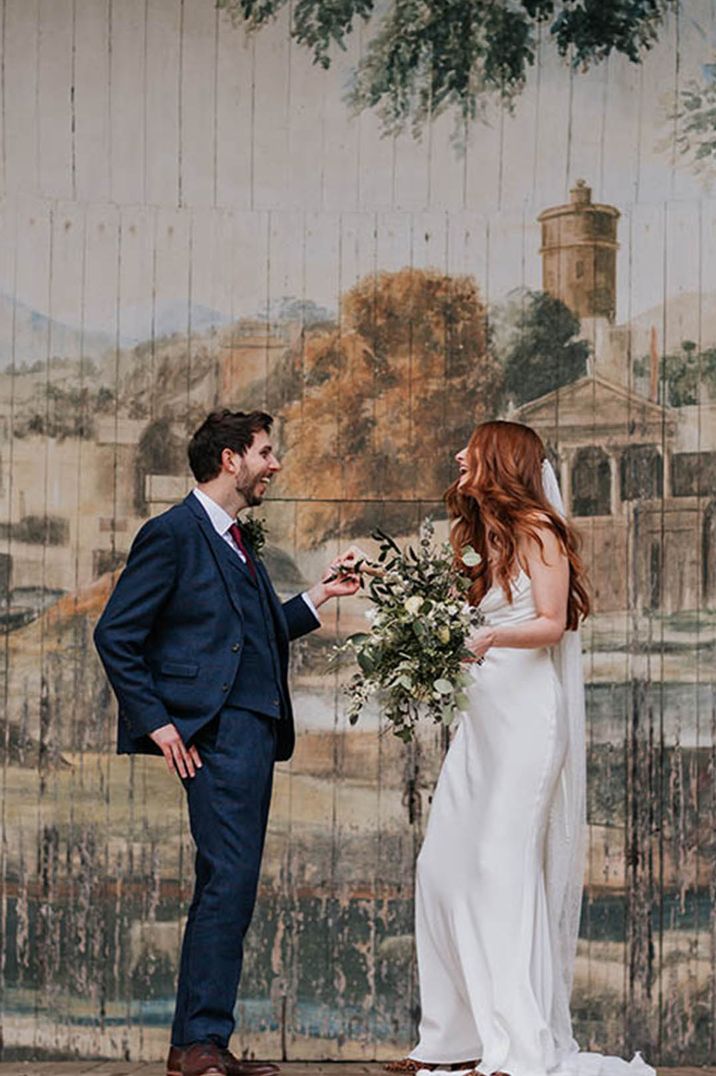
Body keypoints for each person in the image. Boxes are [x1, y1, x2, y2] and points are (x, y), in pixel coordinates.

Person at [94, 409, 360, 1076]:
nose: (275, 464)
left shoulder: (238, 539)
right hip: (215, 735)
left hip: (251, 734)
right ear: (230, 460)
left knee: (229, 886)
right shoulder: (174, 534)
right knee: (227, 886)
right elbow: (115, 635)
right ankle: (202, 1044)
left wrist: (321, 596)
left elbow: (251, 632)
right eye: (266, 453)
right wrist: (159, 724)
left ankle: (196, 1043)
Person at [400, 421, 654, 1076]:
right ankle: (449, 1041)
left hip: (526, 719)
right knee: (441, 867)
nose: (457, 455)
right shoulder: (481, 538)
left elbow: (551, 622)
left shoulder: (539, 530)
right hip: (481, 720)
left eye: (470, 448)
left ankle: (516, 1047)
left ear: (498, 461)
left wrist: (484, 642)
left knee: (501, 871)